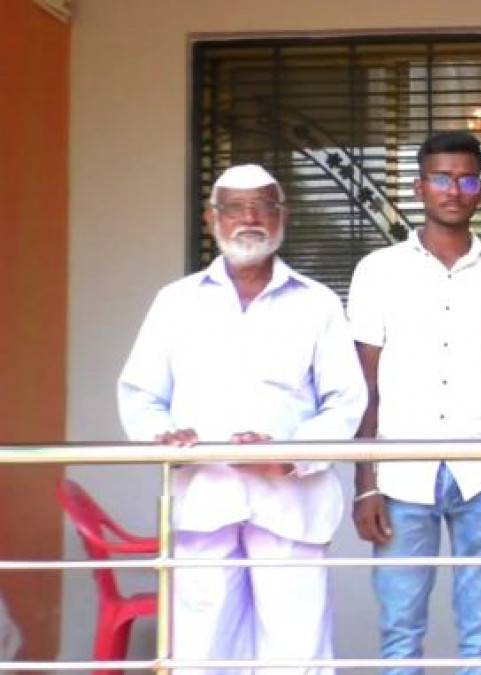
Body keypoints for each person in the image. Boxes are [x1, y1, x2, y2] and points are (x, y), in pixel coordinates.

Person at [117, 163, 368, 674]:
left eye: (262, 206)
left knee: (296, 657)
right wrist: (160, 436)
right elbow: (140, 394)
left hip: (291, 506)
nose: (249, 218)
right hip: (204, 501)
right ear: (213, 218)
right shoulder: (177, 302)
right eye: (235, 207)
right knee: (201, 655)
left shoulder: (317, 304)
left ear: (283, 215)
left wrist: (289, 456)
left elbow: (345, 401)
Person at [347, 130, 481, 675]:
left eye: (467, 179)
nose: (455, 189)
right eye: (443, 178)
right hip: (400, 475)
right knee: (400, 635)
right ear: (419, 186)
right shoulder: (377, 271)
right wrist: (366, 482)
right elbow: (366, 384)